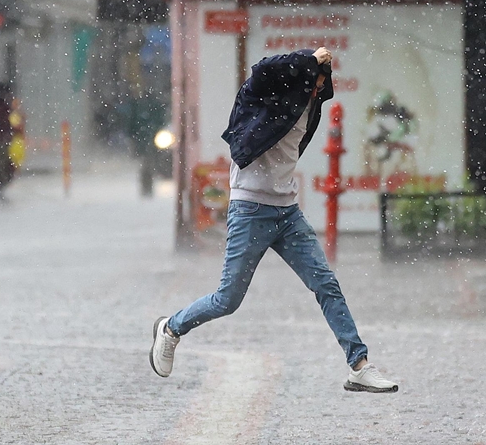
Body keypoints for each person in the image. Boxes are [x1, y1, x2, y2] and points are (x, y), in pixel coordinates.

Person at [149, 47, 398, 393]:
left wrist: (316, 78)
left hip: (288, 212)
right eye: (312, 83)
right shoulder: (263, 99)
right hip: (250, 210)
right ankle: (172, 328)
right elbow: (263, 69)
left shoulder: (310, 108)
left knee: (325, 283)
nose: (314, 90)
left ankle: (359, 365)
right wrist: (309, 59)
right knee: (227, 300)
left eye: (320, 86)